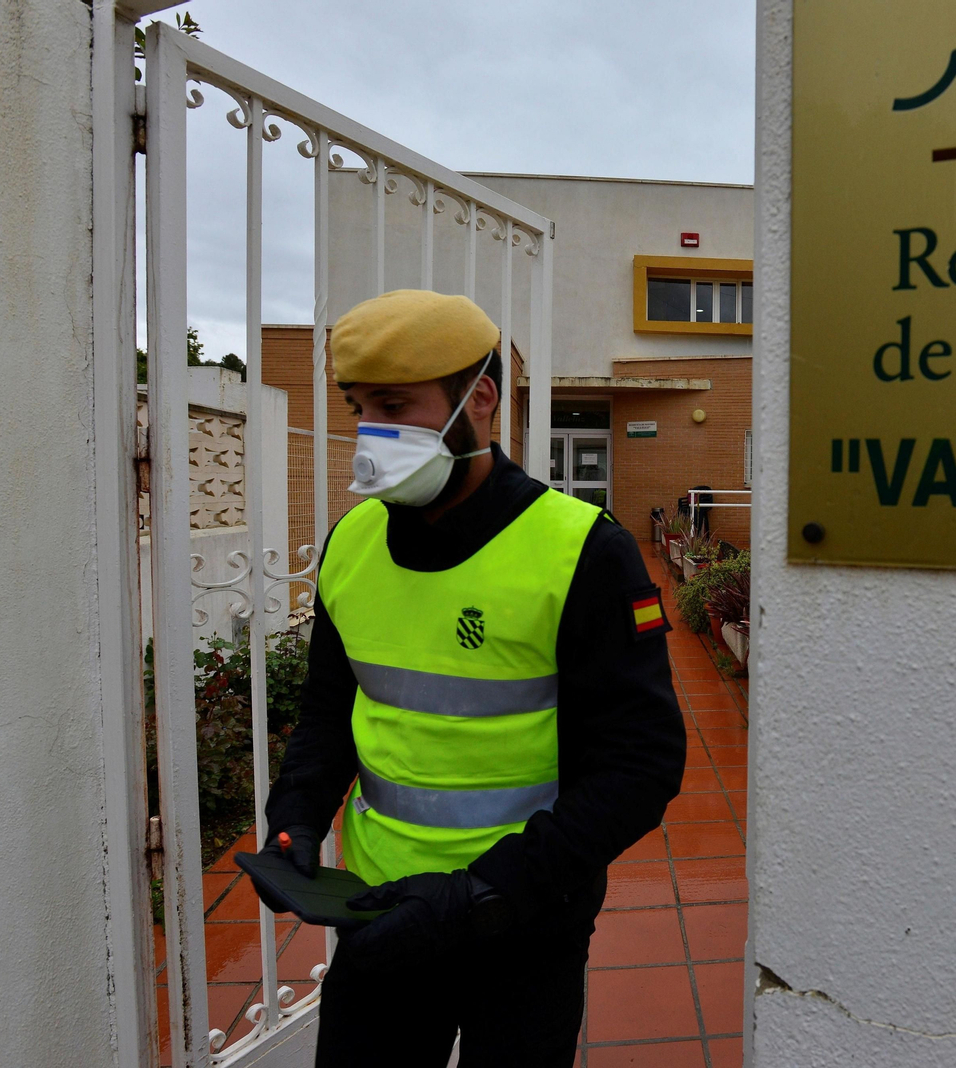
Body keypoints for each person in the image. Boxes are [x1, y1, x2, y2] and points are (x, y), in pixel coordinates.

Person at [248, 290, 686, 1066]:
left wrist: (479, 895)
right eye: (359, 409)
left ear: (479, 399)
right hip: (379, 911)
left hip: (526, 920)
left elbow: (641, 767)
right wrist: (296, 816)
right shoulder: (351, 543)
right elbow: (329, 712)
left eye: (394, 406)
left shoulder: (582, 552)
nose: (371, 434)